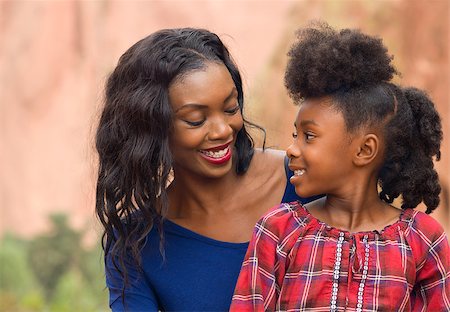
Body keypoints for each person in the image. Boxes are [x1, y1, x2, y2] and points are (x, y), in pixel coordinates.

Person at [95, 28, 319, 311]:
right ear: (152, 129)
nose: (223, 130)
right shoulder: (135, 243)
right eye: (195, 120)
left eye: (230, 108)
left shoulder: (305, 179)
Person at [231, 22, 449, 311]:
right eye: (296, 135)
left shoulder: (423, 240)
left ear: (364, 150)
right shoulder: (278, 231)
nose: (292, 148)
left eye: (309, 136)